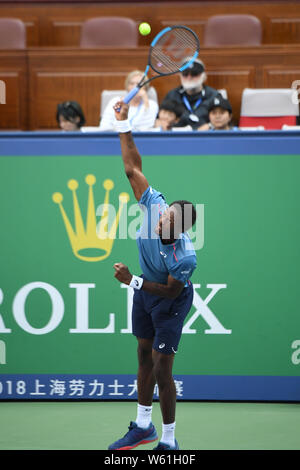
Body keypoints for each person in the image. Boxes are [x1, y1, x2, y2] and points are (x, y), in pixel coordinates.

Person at [108, 100, 197, 451]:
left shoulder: (184, 257)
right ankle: (143, 426)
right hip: (145, 289)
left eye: (169, 222)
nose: (161, 221)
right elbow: (132, 167)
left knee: (162, 366)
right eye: (163, 216)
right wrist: (122, 122)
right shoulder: (154, 205)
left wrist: (133, 282)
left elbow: (172, 292)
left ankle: (170, 440)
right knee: (143, 356)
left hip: (169, 299)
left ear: (180, 229)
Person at [161, 58, 219, 130]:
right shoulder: (172, 95)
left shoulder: (214, 95)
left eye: (194, 74)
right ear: (180, 75)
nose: (189, 77)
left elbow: (222, 119)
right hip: (177, 137)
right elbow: (159, 119)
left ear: (203, 76)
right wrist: (161, 122)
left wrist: (211, 126)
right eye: (185, 74)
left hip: (205, 136)